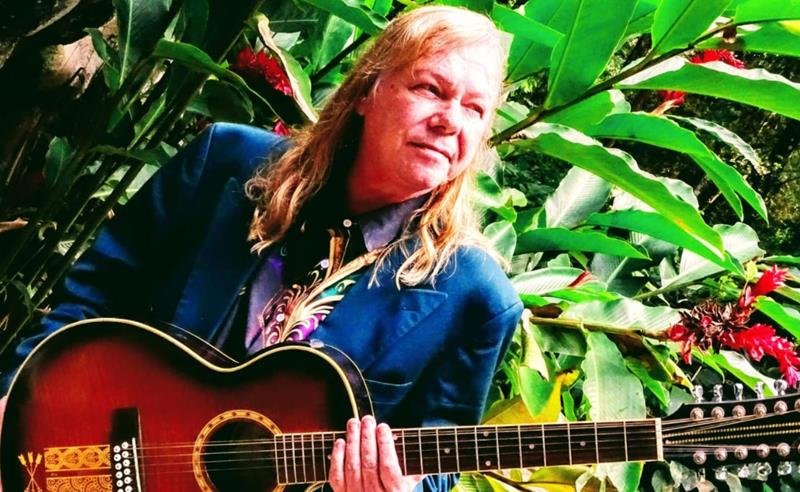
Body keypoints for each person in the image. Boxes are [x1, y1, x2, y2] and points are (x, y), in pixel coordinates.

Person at [0, 5, 522, 491]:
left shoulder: (476, 297)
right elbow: (94, 294)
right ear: (368, 91)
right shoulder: (223, 161)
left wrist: (397, 487)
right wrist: (16, 397)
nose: (451, 120)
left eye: (475, 109)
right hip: (92, 442)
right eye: (430, 88)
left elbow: (438, 463)